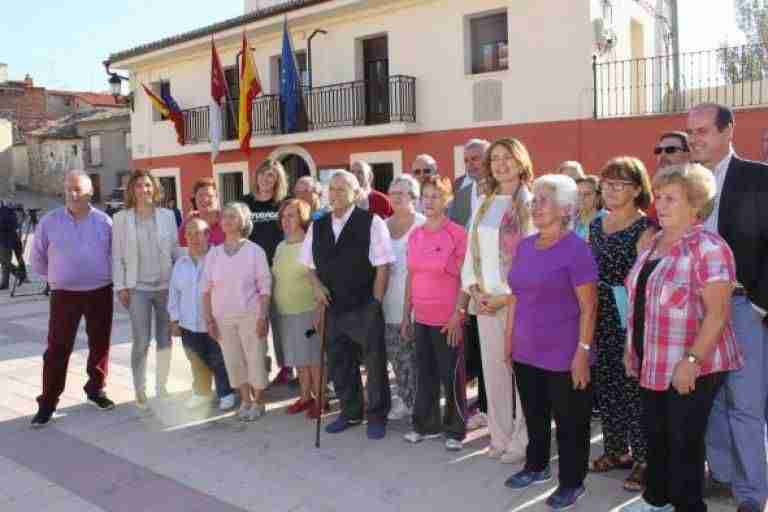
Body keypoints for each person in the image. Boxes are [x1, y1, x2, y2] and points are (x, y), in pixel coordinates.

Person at [621, 163, 743, 512]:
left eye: (670, 199)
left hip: (694, 362)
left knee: (683, 442)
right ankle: (656, 501)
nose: (660, 205)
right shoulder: (652, 244)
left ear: (696, 204)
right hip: (653, 360)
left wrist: (691, 360)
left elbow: (718, 314)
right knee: (656, 435)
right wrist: (632, 351)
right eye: (658, 197)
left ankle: (688, 506)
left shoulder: (709, 247)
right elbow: (640, 302)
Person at [689, 104, 768, 512]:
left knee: (746, 404)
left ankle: (752, 495)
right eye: (691, 132)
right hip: (695, 309)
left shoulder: (758, 177)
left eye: (702, 131)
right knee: (711, 400)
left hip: (741, 307)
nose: (694, 139)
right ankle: (722, 475)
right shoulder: (685, 182)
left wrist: (759, 305)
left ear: (728, 131)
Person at [504, 174, 598, 511]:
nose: (535, 206)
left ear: (566, 208)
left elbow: (589, 307)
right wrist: (508, 341)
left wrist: (582, 353)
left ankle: (572, 482)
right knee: (535, 414)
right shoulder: (526, 245)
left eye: (544, 200)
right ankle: (537, 465)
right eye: (535, 200)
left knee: (571, 423)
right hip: (526, 349)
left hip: (564, 354)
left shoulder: (577, 250)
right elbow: (515, 297)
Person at [301, 170, 393, 440]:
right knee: (340, 362)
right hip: (332, 306)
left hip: (364, 304)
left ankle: (377, 416)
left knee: (374, 364)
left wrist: (376, 303)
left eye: (342, 189)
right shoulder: (317, 225)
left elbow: (383, 266)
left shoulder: (372, 222)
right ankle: (351, 412)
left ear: (356, 193)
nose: (336, 194)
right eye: (332, 188)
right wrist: (316, 287)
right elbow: (308, 266)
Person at [461, 137, 532, 464]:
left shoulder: (530, 203)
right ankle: (500, 436)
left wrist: (506, 298)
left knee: (522, 376)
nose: (501, 164)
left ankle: (523, 439)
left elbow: (533, 258)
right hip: (485, 302)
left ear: (521, 162)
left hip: (518, 303)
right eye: (495, 159)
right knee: (493, 374)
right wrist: (474, 290)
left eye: (508, 158)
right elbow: (471, 252)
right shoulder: (484, 204)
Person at [588, 157, 655, 492]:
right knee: (607, 384)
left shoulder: (647, 229)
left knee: (632, 388)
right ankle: (616, 450)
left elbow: (646, 281)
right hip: (598, 312)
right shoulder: (596, 224)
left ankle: (643, 460)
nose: (611, 190)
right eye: (607, 183)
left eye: (620, 184)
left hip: (629, 314)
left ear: (638, 189)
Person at [30, 170, 116, 427]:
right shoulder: (49, 222)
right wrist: (58, 277)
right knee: (57, 348)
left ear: (90, 192)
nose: (72, 194)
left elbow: (115, 255)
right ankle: (48, 402)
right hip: (64, 295)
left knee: (100, 343)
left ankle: (96, 389)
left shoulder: (104, 222)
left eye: (78, 189)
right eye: (68, 189)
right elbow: (37, 258)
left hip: (100, 291)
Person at [402, 175, 468, 451]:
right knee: (425, 374)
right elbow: (411, 276)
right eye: (425, 196)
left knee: (451, 376)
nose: (429, 202)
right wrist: (406, 315)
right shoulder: (415, 234)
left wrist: (458, 314)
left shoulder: (457, 234)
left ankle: (455, 430)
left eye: (435, 196)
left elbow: (467, 278)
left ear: (447, 200)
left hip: (447, 320)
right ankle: (425, 425)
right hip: (421, 318)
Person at [113, 169, 179, 410]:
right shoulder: (121, 219)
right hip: (137, 288)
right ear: (132, 190)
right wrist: (121, 286)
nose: (144, 190)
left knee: (165, 340)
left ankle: (161, 386)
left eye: (148, 185)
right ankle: (140, 389)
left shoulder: (168, 216)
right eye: (139, 185)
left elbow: (175, 250)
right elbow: (117, 256)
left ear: (155, 188)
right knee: (141, 340)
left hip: (165, 286)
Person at [203, 202, 272, 422]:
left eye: (233, 216)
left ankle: (259, 402)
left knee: (255, 359)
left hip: (251, 316)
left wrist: (263, 316)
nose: (228, 220)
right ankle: (245, 401)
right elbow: (205, 290)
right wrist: (209, 320)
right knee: (233, 361)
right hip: (222, 319)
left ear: (243, 221)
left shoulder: (255, 251)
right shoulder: (213, 254)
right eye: (225, 216)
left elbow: (265, 288)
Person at [168, 217, 236, 411]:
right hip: (188, 324)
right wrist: (174, 320)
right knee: (196, 360)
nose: (194, 238)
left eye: (198, 233)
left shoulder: (220, 258)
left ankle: (226, 393)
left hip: (215, 322)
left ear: (207, 235)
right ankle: (201, 393)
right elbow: (174, 293)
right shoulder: (180, 263)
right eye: (189, 234)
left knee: (219, 359)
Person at [449, 138, 492, 430]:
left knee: (494, 353)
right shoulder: (462, 194)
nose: (470, 164)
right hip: (468, 283)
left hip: (494, 285)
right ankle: (483, 405)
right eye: (466, 160)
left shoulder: (502, 193)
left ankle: (490, 408)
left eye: (476, 158)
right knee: (476, 347)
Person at [272, 199, 324, 420]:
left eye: (291, 215)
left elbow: (321, 280)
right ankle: (305, 397)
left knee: (313, 359)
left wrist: (319, 310)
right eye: (283, 216)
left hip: (308, 312)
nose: (286, 220)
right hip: (286, 312)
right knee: (299, 359)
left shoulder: (311, 245)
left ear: (302, 218)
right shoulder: (281, 247)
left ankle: (321, 399)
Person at [241, 159, 289, 385]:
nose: (266, 178)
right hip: (252, 273)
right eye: (263, 173)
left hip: (278, 270)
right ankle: (261, 367)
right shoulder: (245, 203)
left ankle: (286, 367)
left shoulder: (284, 203)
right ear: (256, 176)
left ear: (278, 179)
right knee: (256, 323)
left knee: (280, 322)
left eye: (271, 175)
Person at [383, 175, 425, 421]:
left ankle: (420, 403)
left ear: (413, 197)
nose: (397, 197)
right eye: (393, 193)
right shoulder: (382, 226)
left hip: (417, 302)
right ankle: (405, 398)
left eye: (402, 193)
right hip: (389, 300)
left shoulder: (422, 224)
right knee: (397, 355)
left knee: (416, 356)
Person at [179, 178, 225, 247]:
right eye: (200, 195)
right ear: (195, 199)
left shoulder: (227, 221)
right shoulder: (188, 223)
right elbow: (182, 249)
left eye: (209, 195)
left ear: (216, 198)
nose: (205, 199)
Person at [573, 175, 604, 240]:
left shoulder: (607, 220)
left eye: (587, 194)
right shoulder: (572, 220)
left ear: (598, 197)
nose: (582, 198)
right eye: (578, 193)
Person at [0, 201, 21, 290]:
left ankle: (5, 284)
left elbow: (12, 225)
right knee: (4, 261)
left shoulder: (6, 212)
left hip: (5, 241)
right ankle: (19, 274)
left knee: (5, 262)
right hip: (4, 240)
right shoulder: (6, 212)